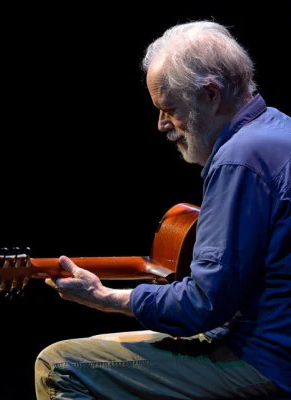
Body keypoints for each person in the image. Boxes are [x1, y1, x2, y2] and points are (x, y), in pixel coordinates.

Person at [31, 20, 291, 399]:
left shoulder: (240, 159)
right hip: (261, 344)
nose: (161, 124)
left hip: (263, 361)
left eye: (169, 108)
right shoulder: (279, 129)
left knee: (60, 365)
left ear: (211, 94)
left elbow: (204, 304)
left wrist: (106, 298)